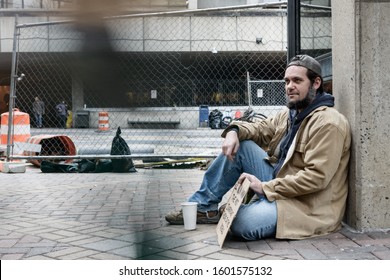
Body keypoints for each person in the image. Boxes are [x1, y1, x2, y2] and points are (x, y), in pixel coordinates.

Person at [165, 54, 352, 241]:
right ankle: (203, 207)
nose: (289, 87)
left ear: (316, 83)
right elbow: (259, 129)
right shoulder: (290, 115)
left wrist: (264, 187)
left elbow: (316, 178)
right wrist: (234, 131)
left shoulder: (329, 123)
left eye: (297, 81)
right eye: (287, 81)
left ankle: (246, 209)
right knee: (243, 146)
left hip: (306, 205)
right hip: (279, 184)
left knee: (240, 223)